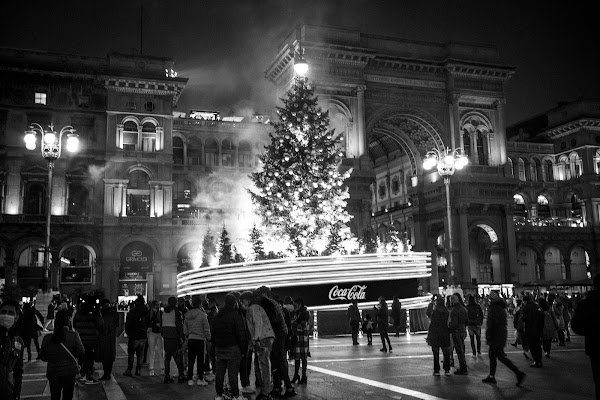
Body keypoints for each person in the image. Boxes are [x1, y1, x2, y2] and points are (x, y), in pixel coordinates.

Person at [257, 286, 296, 398]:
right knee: (277, 361)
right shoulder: (273, 303)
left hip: (277, 335)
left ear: (264, 294)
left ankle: (285, 387)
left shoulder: (268, 304)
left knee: (278, 360)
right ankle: (280, 387)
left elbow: (274, 320)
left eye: (258, 295)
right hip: (280, 334)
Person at [481, 291, 526, 387]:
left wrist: (489, 335)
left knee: (499, 356)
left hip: (496, 336)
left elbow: (492, 323)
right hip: (499, 335)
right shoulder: (500, 308)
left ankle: (518, 373)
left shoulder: (494, 309)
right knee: (493, 356)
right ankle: (492, 376)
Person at [40, 308, 85, 400]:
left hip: (53, 372)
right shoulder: (73, 335)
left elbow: (43, 357)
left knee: (55, 396)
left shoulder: (48, 338)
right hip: (69, 372)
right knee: (68, 396)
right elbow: (81, 352)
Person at [240, 290, 275, 400]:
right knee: (260, 364)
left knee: (263, 365)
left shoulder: (253, 308)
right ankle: (265, 390)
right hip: (264, 338)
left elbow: (257, 323)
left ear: (248, 300)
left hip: (262, 338)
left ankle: (266, 392)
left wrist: (255, 338)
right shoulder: (256, 307)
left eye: (243, 301)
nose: (242, 303)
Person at [212, 293, 247, 400]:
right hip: (233, 347)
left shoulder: (217, 315)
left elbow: (213, 332)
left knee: (220, 373)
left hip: (219, 348)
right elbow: (240, 334)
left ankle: (219, 395)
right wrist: (243, 349)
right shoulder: (236, 315)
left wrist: (215, 345)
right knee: (233, 374)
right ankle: (235, 395)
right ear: (235, 303)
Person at [571, 273, 600, 400]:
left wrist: (590, 330)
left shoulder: (586, 303)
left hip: (595, 346)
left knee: (599, 380)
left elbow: (576, 325)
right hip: (594, 346)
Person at [72, 297, 103, 384]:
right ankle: (88, 375)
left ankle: (81, 373)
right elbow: (100, 324)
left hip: (81, 339)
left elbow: (74, 325)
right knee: (89, 358)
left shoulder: (78, 314)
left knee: (81, 357)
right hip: (91, 340)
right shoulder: (94, 314)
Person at [183, 295, 211, 386]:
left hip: (191, 339)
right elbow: (206, 328)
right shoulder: (202, 315)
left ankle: (190, 379)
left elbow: (185, 329)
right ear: (199, 304)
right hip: (200, 339)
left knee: (191, 359)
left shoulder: (187, 315)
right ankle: (200, 378)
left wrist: (188, 334)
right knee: (200, 360)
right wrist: (208, 337)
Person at [0, 299, 24, 400]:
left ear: (16, 317)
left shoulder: (18, 341)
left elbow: (18, 371)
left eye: (11, 313)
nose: (6, 315)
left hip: (7, 392)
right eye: (3, 312)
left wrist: (17, 394)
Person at [161, 296, 186, 384]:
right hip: (174, 336)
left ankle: (167, 375)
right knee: (178, 356)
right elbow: (179, 325)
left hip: (166, 336)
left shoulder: (164, 312)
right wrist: (181, 337)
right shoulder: (176, 312)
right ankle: (181, 374)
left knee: (167, 357)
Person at [123, 295, 149, 376]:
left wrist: (128, 333)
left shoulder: (133, 311)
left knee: (131, 353)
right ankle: (138, 370)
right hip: (143, 334)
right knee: (140, 353)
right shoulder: (146, 311)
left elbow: (128, 324)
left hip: (134, 334)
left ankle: (129, 369)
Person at [427, 296, 452, 376]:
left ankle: (437, 370)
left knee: (436, 353)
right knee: (446, 353)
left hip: (435, 334)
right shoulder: (446, 312)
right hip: (444, 334)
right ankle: (447, 369)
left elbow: (428, 314)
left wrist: (431, 303)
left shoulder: (434, 312)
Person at [290, 297, 310, 385]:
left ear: (300, 304)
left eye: (296, 304)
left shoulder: (305, 313)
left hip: (301, 336)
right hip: (298, 336)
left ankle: (302, 376)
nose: (294, 306)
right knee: (298, 357)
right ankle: (298, 375)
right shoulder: (296, 313)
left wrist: (294, 323)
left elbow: (301, 324)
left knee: (302, 357)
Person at [98, 299, 118, 380]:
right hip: (111, 337)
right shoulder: (113, 313)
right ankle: (108, 373)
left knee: (105, 356)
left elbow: (99, 324)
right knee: (110, 356)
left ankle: (106, 373)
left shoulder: (102, 313)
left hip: (104, 337)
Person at [521, 294, 544, 367]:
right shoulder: (536, 306)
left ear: (524, 301)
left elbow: (523, 318)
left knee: (532, 346)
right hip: (538, 329)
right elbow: (542, 316)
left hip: (530, 329)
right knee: (538, 345)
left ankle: (536, 361)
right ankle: (539, 360)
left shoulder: (525, 308)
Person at [448, 293, 468, 375]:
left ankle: (463, 368)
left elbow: (454, 323)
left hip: (456, 332)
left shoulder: (454, 311)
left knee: (459, 351)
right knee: (462, 349)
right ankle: (463, 367)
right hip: (462, 330)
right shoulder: (463, 309)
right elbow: (467, 320)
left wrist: (450, 326)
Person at [147, 300, 164, 377]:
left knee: (155, 351)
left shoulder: (150, 313)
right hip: (156, 332)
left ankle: (153, 368)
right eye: (156, 304)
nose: (157, 306)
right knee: (155, 351)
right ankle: (160, 367)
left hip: (154, 332)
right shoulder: (160, 313)